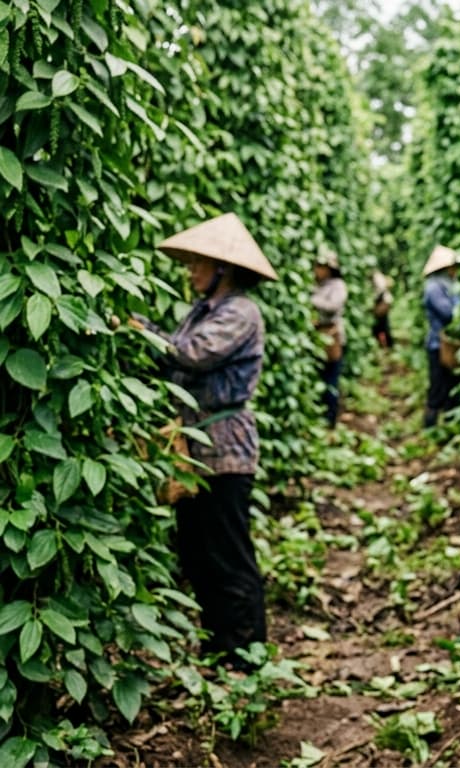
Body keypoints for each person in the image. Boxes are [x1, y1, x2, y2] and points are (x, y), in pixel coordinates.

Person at [136, 212, 277, 669]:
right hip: (192, 448)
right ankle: (218, 652)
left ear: (223, 269)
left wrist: (143, 331)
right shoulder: (200, 311)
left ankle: (247, 656)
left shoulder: (240, 312)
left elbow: (191, 355)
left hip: (225, 449)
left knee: (229, 554)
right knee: (196, 553)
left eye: (198, 263)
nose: (190, 271)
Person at [421, 245, 460, 428]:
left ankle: (448, 427)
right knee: (437, 387)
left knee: (452, 388)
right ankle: (429, 428)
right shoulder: (433, 288)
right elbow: (448, 314)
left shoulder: (450, 285)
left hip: (450, 345)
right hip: (437, 345)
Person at [311, 248, 348, 427]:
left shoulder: (337, 285)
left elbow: (333, 306)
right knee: (318, 377)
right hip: (317, 334)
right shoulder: (316, 285)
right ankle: (319, 417)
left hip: (332, 334)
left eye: (321, 267)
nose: (317, 270)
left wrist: (313, 300)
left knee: (331, 378)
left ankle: (331, 420)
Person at [371, 269, 394, 349]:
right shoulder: (377, 276)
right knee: (382, 325)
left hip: (383, 303)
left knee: (382, 326)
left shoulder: (377, 277)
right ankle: (386, 344)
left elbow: (381, 290)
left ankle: (387, 345)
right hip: (384, 303)